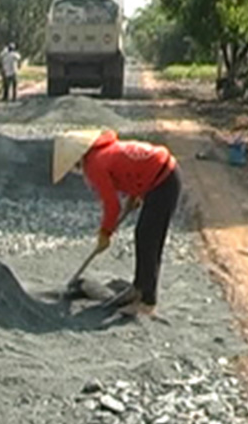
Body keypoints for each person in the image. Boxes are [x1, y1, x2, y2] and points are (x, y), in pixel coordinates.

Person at [52, 129, 181, 317]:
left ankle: (146, 301)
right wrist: (134, 195)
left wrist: (105, 232)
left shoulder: (95, 165)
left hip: (164, 180)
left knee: (148, 239)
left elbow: (112, 206)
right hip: (163, 174)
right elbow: (131, 168)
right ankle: (138, 288)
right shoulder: (103, 152)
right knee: (144, 236)